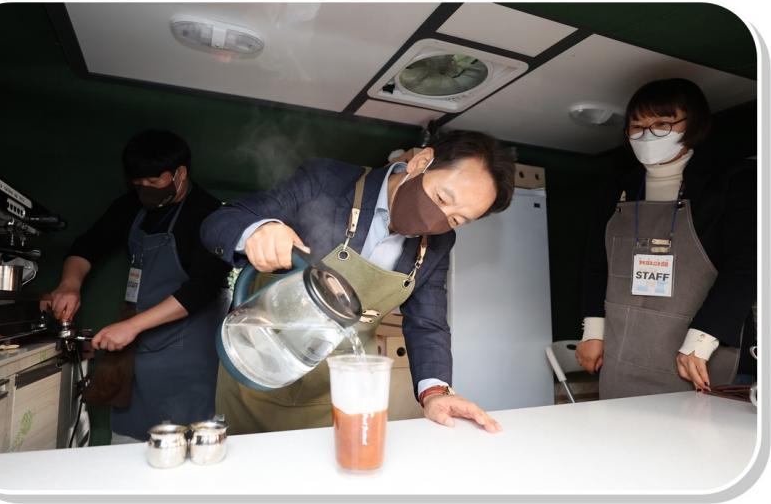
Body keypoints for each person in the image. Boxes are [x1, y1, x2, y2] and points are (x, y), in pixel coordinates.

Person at [201, 130, 515, 434]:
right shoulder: (327, 182)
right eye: (442, 198)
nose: (438, 219)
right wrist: (257, 231)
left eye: (455, 220)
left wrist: (436, 392)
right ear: (421, 162)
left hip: (339, 391)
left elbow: (427, 323)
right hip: (256, 367)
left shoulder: (437, 245)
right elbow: (220, 222)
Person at [43, 129, 232, 442]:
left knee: (184, 440)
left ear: (180, 173)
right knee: (129, 440)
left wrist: (131, 327)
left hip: (191, 350)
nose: (145, 189)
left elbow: (201, 289)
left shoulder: (209, 215)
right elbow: (88, 245)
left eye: (154, 181)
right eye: (138, 183)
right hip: (139, 345)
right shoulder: (131, 207)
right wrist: (69, 284)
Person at [576, 78, 756, 398]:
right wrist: (593, 332)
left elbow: (748, 265)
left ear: (694, 124)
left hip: (698, 352)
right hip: (623, 350)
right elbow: (596, 264)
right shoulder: (617, 186)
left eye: (662, 124)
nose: (647, 135)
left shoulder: (732, 181)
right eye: (637, 127)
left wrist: (703, 339)